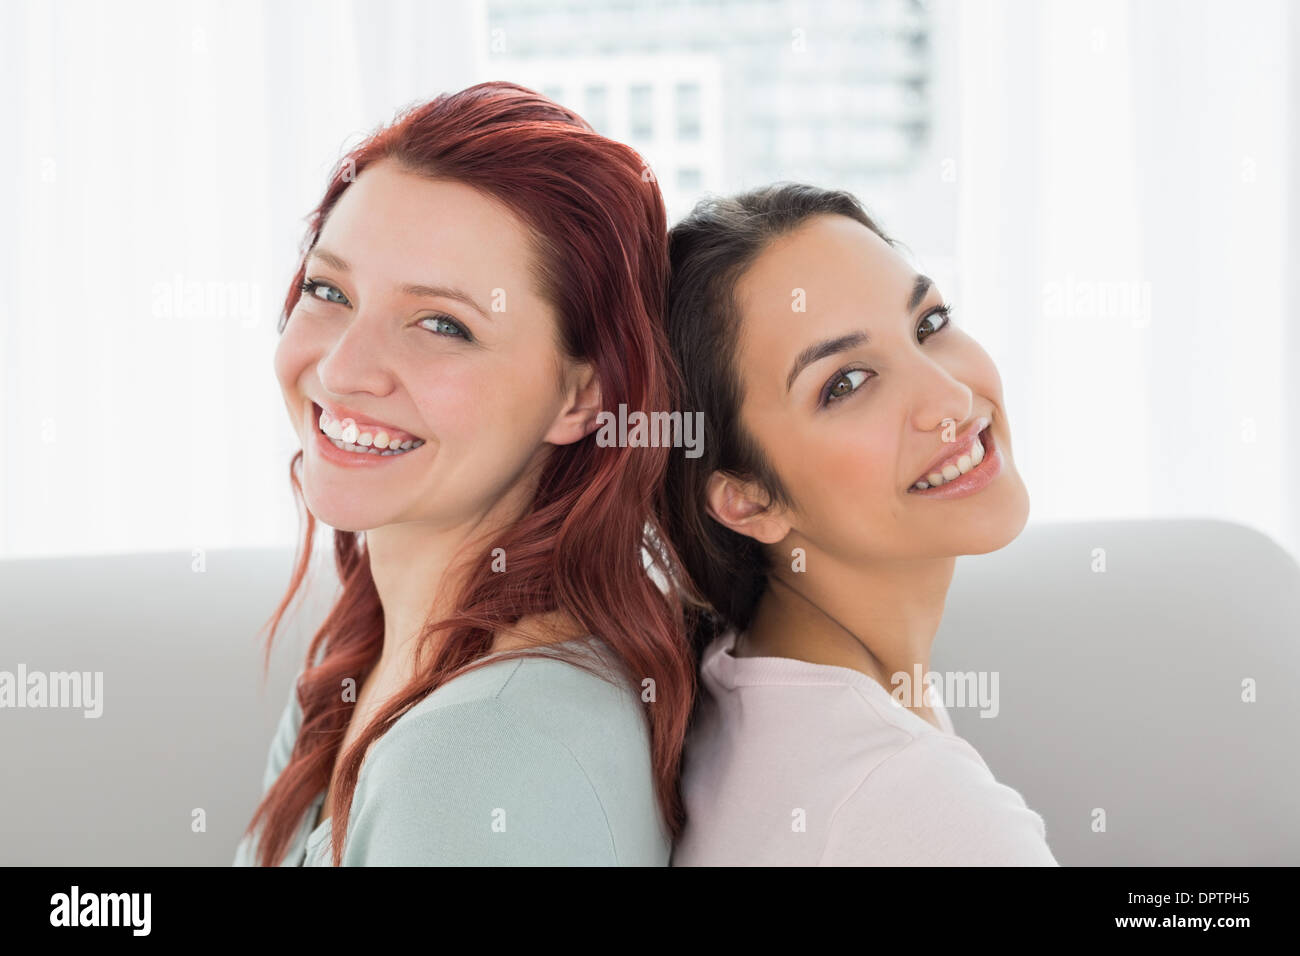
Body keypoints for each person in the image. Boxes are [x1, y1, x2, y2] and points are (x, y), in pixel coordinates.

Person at [233, 82, 694, 866]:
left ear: (583, 396)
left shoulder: (477, 761)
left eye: (442, 325)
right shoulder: (369, 652)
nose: (343, 371)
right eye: (328, 290)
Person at [661, 183, 1059, 865]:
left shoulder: (755, 686)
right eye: (846, 383)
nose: (952, 399)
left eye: (929, 325)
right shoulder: (915, 801)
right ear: (747, 499)